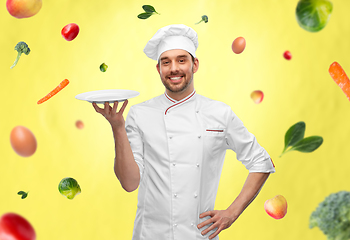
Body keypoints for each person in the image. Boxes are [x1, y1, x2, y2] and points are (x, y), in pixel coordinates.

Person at [92, 24, 275, 240]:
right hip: (150, 234)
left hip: (198, 235)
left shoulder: (219, 113)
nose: (174, 69)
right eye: (166, 62)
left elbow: (261, 162)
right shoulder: (140, 114)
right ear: (158, 69)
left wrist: (232, 214)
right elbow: (130, 183)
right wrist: (117, 127)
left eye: (181, 60)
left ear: (194, 64)